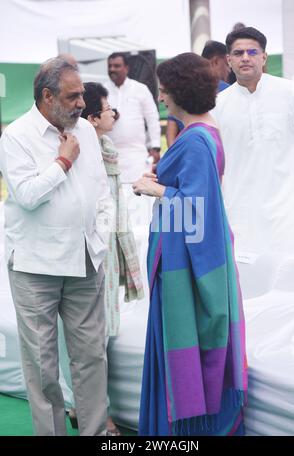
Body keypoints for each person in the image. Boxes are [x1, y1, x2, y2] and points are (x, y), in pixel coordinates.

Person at [133, 53, 247, 436]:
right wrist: (165, 182)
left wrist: (155, 188)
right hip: (183, 258)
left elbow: (198, 210)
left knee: (189, 352)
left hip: (188, 268)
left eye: (164, 90)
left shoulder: (197, 140)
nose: (162, 98)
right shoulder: (201, 133)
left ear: (179, 92)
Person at [0, 57, 113, 436]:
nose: (82, 103)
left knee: (91, 357)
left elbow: (101, 190)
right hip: (36, 267)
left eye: (81, 94)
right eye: (73, 96)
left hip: (85, 261)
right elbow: (28, 195)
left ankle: (96, 433)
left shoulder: (86, 132)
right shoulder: (16, 136)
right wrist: (62, 163)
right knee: (42, 365)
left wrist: (102, 239)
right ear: (47, 96)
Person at [62, 81, 145, 436]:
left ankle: (84, 408)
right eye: (110, 109)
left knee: (102, 334)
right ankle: (96, 415)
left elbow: (110, 203)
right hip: (88, 252)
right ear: (93, 118)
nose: (115, 114)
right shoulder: (83, 152)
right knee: (91, 339)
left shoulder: (105, 148)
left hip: (105, 249)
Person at [213, 26, 294, 255]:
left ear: (264, 57)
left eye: (252, 52)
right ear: (228, 60)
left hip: (288, 212)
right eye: (238, 53)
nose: (245, 58)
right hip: (241, 214)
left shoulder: (291, 93)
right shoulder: (218, 105)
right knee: (249, 283)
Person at [104, 52, 161, 183]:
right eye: (110, 66)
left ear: (126, 68)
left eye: (117, 66)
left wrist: (155, 147)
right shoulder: (102, 90)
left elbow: (152, 118)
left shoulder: (140, 89)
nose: (112, 69)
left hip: (137, 154)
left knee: (140, 194)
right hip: (109, 155)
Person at [166, 41, 230, 147]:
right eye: (227, 64)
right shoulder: (227, 90)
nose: (229, 70)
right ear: (216, 62)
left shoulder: (183, 86)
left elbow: (170, 133)